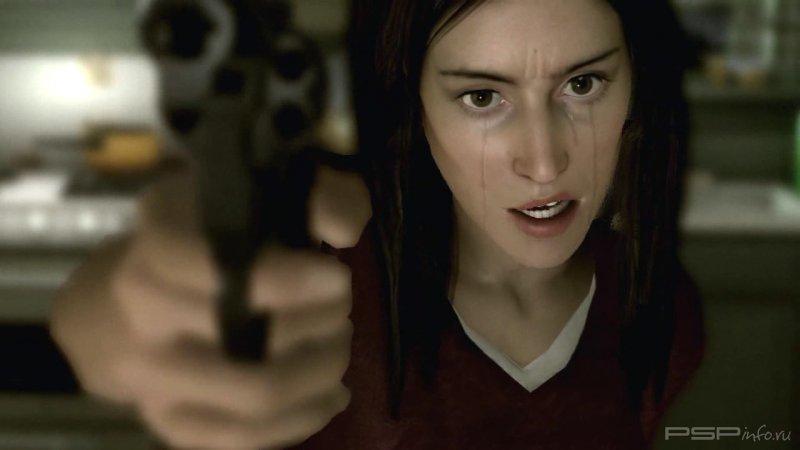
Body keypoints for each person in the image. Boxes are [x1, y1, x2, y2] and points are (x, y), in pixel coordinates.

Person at [50, 0, 705, 448]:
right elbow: (111, 313)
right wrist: (115, 317)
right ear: (413, 106)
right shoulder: (330, 278)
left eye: (583, 85)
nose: (543, 162)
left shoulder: (661, 309)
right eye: (481, 97)